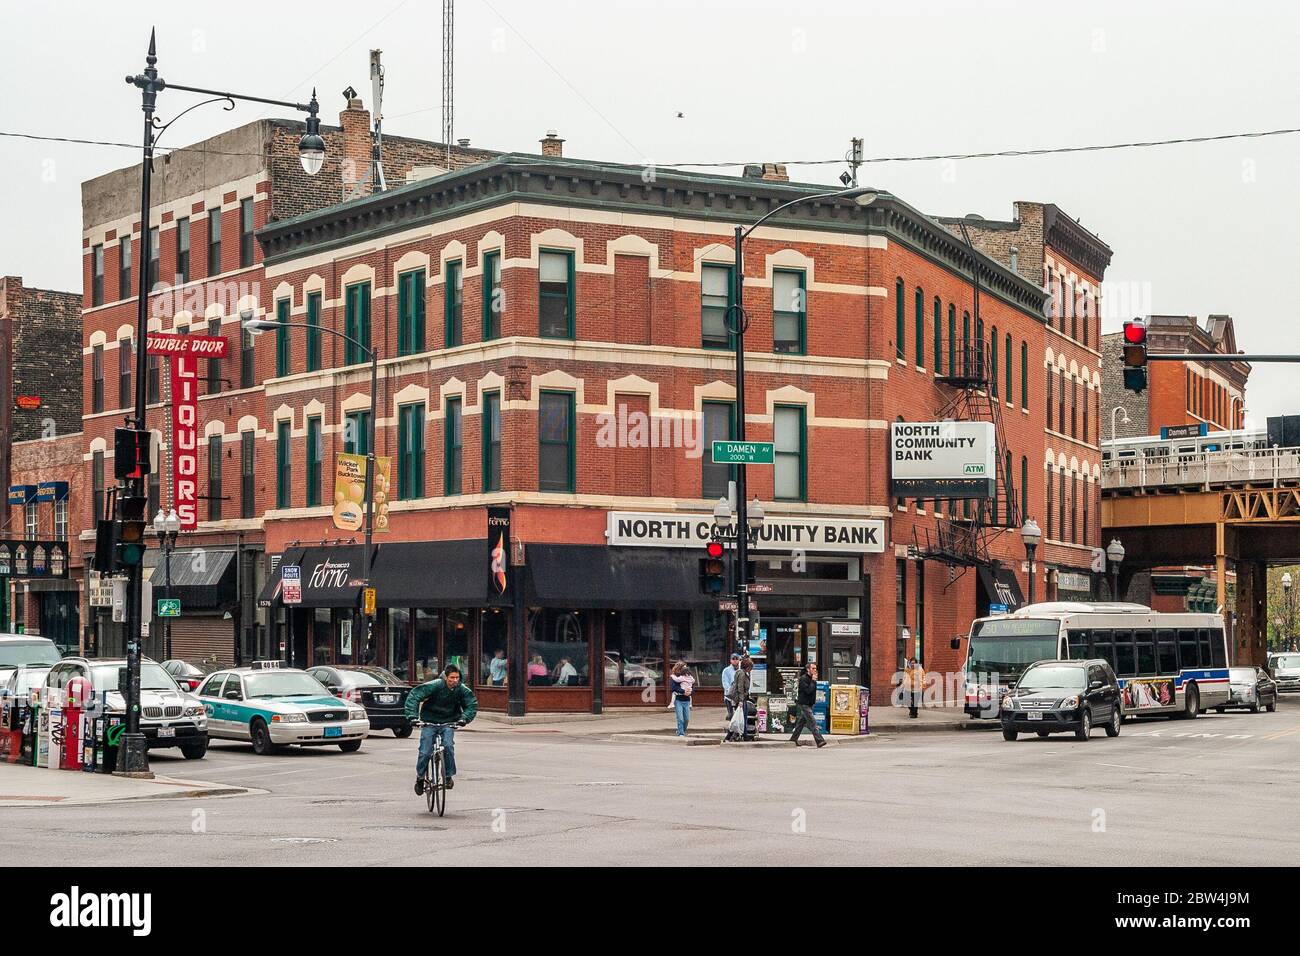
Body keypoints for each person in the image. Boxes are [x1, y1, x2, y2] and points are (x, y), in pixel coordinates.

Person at [404, 664, 478, 794]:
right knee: (425, 751)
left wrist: (464, 719)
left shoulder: (461, 689)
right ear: (445, 677)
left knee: (448, 746)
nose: (455, 680)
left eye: (457, 677)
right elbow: (414, 696)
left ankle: (448, 777)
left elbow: (471, 704)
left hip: (449, 722)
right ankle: (420, 778)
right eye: (452, 678)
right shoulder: (435, 685)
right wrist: (413, 717)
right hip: (429, 722)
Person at [789, 663, 826, 748]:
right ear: (808, 669)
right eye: (813, 668)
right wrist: (813, 681)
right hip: (804, 704)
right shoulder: (803, 679)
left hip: (810, 704)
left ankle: (793, 739)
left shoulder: (812, 679)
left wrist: (813, 681)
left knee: (801, 723)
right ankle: (820, 740)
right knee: (813, 722)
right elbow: (808, 691)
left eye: (815, 668)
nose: (815, 670)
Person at [725, 656, 752, 741]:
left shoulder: (740, 672)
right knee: (740, 718)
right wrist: (741, 700)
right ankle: (735, 735)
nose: (751, 669)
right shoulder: (742, 674)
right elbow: (740, 687)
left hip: (742, 698)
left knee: (740, 717)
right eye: (751, 667)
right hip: (740, 698)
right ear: (747, 667)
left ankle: (742, 735)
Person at [669, 661, 695, 736]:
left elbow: (693, 686)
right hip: (678, 699)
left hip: (687, 700)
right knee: (680, 718)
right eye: (684, 667)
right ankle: (681, 733)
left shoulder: (689, 676)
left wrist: (690, 692)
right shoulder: (677, 677)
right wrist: (683, 691)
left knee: (686, 719)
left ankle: (681, 731)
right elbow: (673, 688)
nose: (686, 669)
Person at [720, 653, 741, 721]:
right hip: (729, 696)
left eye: (736, 659)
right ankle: (731, 728)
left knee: (739, 714)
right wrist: (730, 692)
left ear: (739, 660)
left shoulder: (741, 670)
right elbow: (725, 682)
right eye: (733, 659)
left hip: (739, 695)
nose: (735, 660)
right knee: (731, 715)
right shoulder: (726, 670)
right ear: (730, 660)